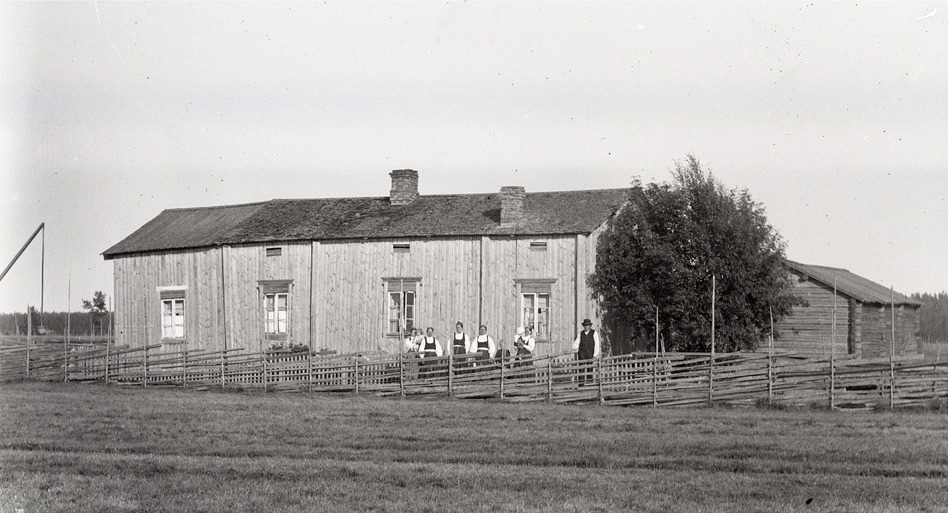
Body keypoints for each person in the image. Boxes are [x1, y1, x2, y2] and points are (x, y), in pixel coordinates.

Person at [571, 318, 601, 384]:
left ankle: (589, 383)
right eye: (585, 325)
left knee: (589, 368)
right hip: (582, 354)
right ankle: (581, 384)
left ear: (590, 326)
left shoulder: (594, 333)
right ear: (583, 326)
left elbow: (597, 344)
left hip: (590, 353)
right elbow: (576, 343)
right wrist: (576, 349)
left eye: (587, 325)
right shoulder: (581, 334)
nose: (586, 327)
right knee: (581, 368)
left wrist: (595, 355)